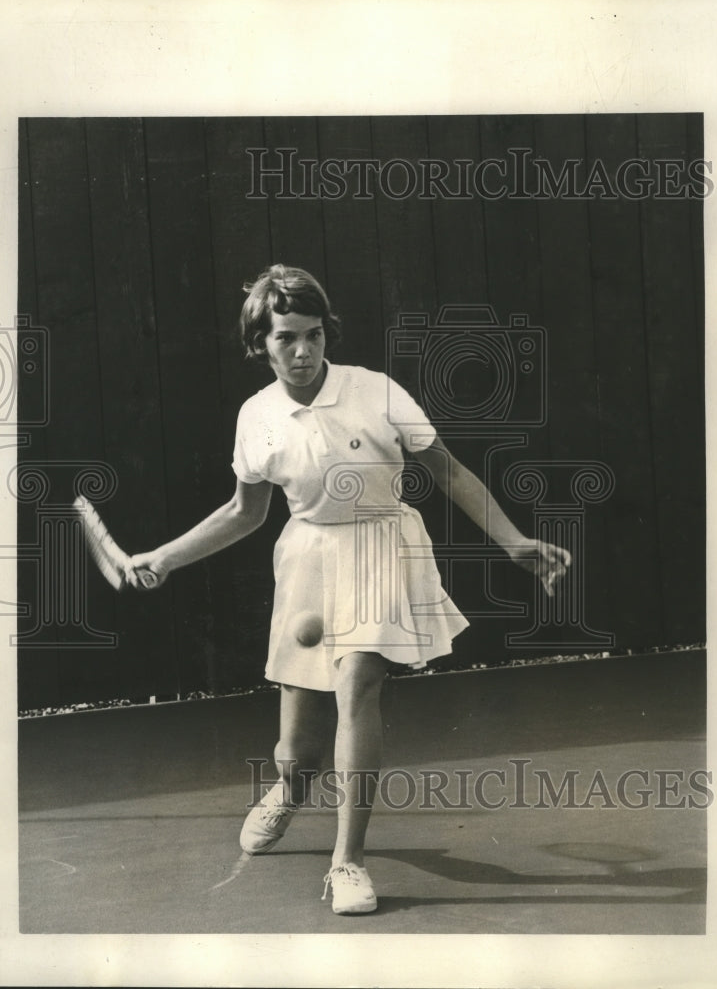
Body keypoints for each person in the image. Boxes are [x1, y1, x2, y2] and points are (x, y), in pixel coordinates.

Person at [125, 265, 571, 915]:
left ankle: (347, 862)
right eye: (286, 339)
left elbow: (447, 472)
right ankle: (286, 789)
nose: (302, 351)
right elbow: (243, 513)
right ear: (261, 344)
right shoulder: (257, 417)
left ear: (326, 333)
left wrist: (512, 540)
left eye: (312, 335)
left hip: (383, 545)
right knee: (295, 752)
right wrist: (164, 557)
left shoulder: (376, 392)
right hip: (308, 555)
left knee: (359, 680)